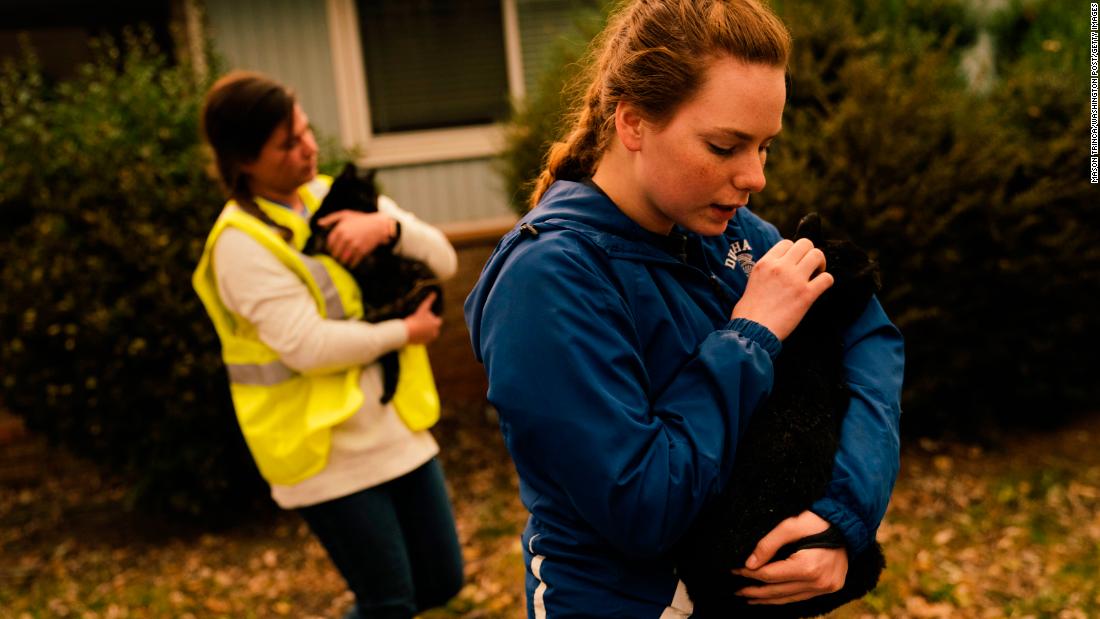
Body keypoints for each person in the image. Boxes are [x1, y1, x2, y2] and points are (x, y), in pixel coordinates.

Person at [463, 0, 904, 617]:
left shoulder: (729, 231)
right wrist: (751, 333)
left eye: (765, 146)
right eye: (725, 146)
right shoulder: (547, 280)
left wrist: (841, 519)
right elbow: (644, 504)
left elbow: (869, 339)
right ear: (634, 123)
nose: (755, 177)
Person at [192, 71, 464, 619]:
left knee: (441, 581)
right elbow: (307, 346)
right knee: (388, 602)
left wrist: (386, 229)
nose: (309, 148)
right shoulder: (238, 246)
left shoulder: (333, 194)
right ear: (243, 160)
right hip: (324, 453)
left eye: (306, 130)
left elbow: (444, 259)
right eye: (288, 144)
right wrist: (405, 334)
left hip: (394, 428)